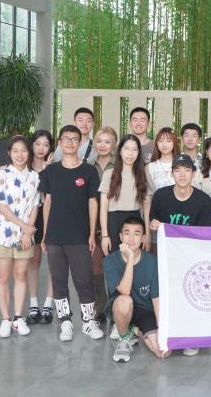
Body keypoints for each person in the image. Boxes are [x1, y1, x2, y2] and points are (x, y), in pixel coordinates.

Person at [39, 125, 104, 342]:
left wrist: (92, 234)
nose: (70, 142)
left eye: (74, 139)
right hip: (55, 236)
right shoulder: (51, 171)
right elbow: (47, 202)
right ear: (59, 142)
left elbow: (93, 203)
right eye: (66, 138)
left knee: (84, 280)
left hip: (79, 235)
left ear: (80, 142)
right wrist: (45, 234)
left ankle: (88, 322)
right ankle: (65, 321)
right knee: (59, 280)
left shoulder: (88, 171)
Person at [149, 153, 211, 357]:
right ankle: (170, 332)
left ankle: (191, 337)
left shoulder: (203, 200)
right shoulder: (161, 196)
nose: (182, 174)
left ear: (193, 173)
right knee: (169, 295)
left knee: (191, 295)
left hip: (192, 257)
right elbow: (153, 222)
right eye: (178, 170)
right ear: (172, 174)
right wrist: (154, 225)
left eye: (187, 170)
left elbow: (206, 234)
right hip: (167, 257)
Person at [0, 135, 40, 338]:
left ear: (29, 153)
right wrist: (25, 227)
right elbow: (1, 205)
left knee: (20, 275)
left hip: (25, 236)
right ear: (9, 153)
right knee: (3, 276)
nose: (20, 155)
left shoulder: (34, 177)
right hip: (3, 233)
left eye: (24, 151)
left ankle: (18, 318)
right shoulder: (2, 174)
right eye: (15, 151)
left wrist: (28, 231)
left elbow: (35, 205)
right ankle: (5, 319)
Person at [103, 216, 170, 363]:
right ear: (121, 236)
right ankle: (124, 338)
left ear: (143, 238)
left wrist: (161, 329)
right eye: (127, 233)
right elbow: (125, 291)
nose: (131, 239)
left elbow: (156, 297)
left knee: (163, 352)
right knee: (124, 301)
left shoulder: (152, 261)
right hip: (121, 309)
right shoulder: (110, 260)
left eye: (137, 234)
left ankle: (135, 330)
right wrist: (130, 258)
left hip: (146, 310)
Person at [100, 135, 148, 255]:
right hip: (114, 221)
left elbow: (147, 207)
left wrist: (147, 233)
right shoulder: (109, 174)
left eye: (134, 149)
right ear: (120, 151)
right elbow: (103, 207)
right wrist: (105, 235)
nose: (130, 153)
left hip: (135, 220)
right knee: (115, 260)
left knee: (134, 260)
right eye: (126, 148)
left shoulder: (143, 174)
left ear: (138, 152)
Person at [26, 130, 55, 326]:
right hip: (30, 220)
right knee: (33, 262)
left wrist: (48, 170)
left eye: (45, 144)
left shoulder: (54, 169)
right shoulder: (24, 169)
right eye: (37, 144)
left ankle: (48, 305)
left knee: (53, 263)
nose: (41, 148)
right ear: (31, 145)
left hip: (51, 218)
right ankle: (33, 304)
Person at [90, 125, 118, 324]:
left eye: (107, 141)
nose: (103, 145)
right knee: (96, 268)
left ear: (114, 145)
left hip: (114, 220)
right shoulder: (88, 167)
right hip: (93, 222)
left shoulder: (119, 166)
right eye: (99, 141)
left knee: (115, 267)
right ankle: (100, 308)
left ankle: (116, 308)